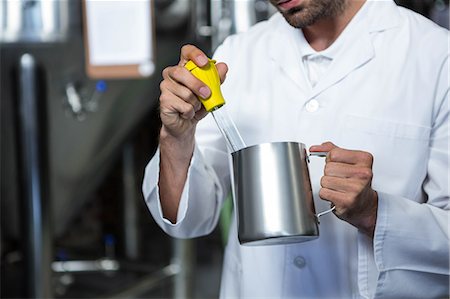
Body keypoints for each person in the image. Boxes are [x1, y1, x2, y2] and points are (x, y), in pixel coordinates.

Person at [143, 0, 449, 297]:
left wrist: (375, 213)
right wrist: (177, 136)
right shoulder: (239, 53)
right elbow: (186, 219)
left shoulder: (435, 56)